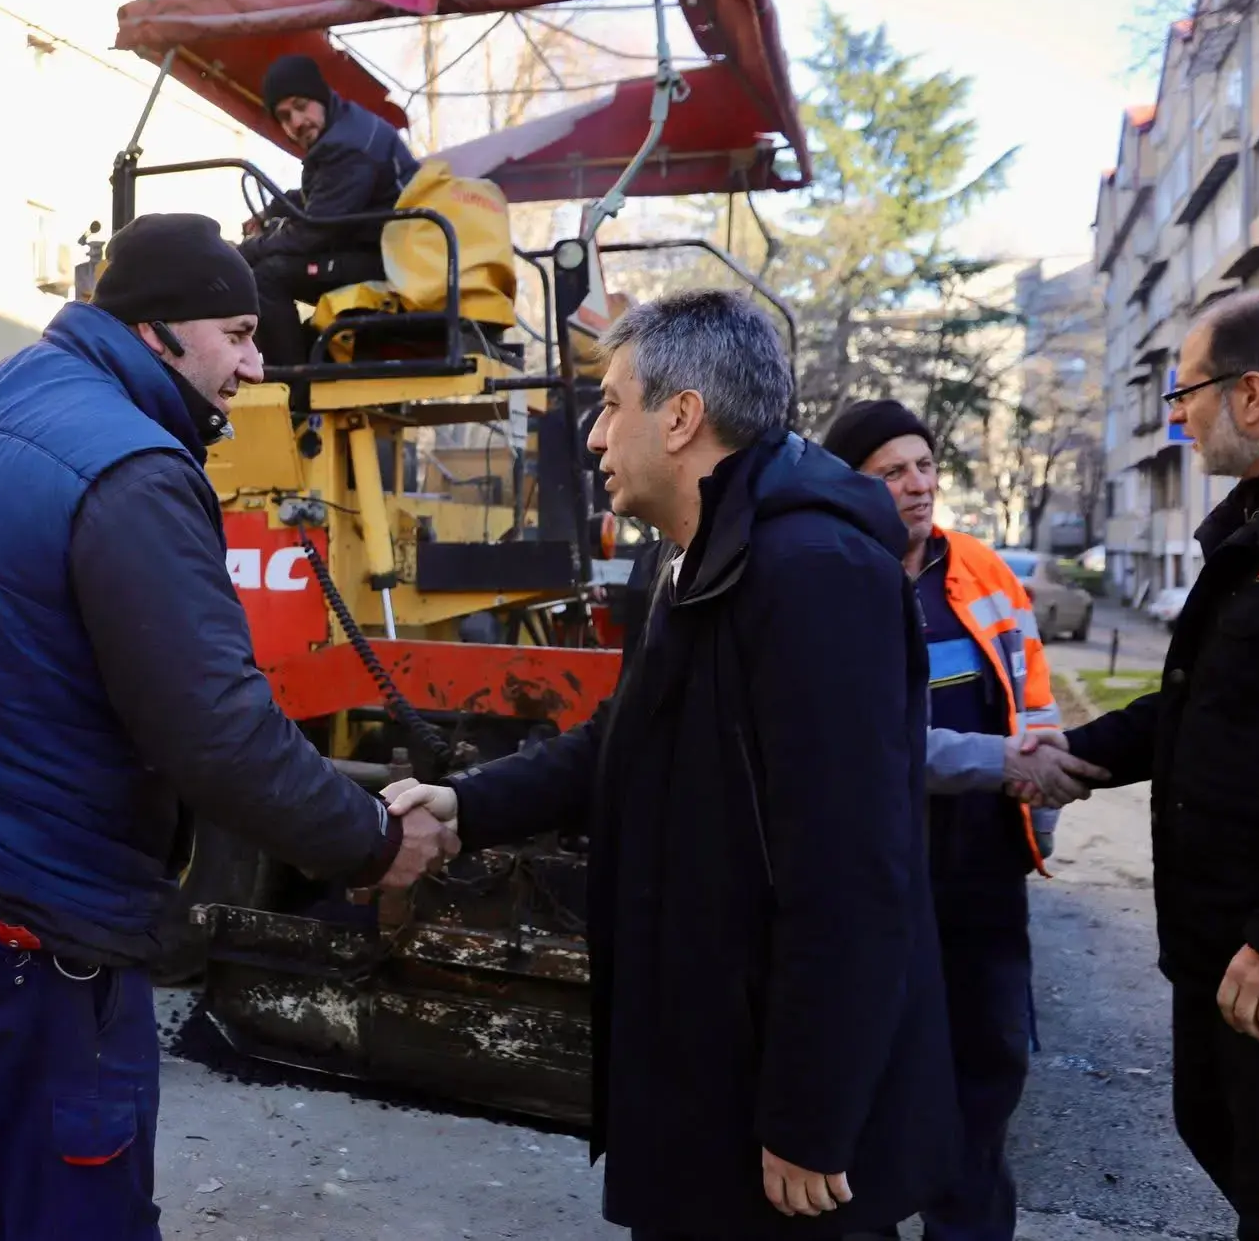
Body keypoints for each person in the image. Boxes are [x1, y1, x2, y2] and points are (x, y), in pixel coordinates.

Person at [0, 211, 459, 1240]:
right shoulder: (132, 468)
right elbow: (216, 734)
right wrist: (376, 843)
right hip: (28, 932)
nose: (256, 364)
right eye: (237, 331)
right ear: (154, 330)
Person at [387, 290, 960, 1240]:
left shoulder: (815, 573)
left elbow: (854, 871)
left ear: (683, 416)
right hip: (700, 1062)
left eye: (613, 403)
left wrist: (812, 1116)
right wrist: (463, 805)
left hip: (780, 1113)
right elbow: (622, 738)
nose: (595, 433)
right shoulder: (690, 558)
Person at [1054, 287, 1259, 1239]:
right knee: (1232, 1145)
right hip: (1226, 954)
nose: (1177, 415)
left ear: (1251, 395)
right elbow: (1207, 708)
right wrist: (1065, 753)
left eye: (1188, 392)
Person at [822, 399, 1105, 1241]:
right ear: (853, 486)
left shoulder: (981, 570)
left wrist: (1039, 811)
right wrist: (997, 763)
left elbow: (1030, 694)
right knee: (873, 1076)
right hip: (877, 873)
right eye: (892, 471)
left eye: (924, 465)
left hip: (981, 871)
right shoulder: (832, 579)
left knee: (988, 1068)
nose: (916, 485)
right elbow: (868, 742)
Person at [238, 53, 420, 364]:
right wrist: (271, 212)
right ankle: (304, 357)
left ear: (318, 97)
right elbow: (320, 198)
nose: (296, 122)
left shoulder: (347, 146)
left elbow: (314, 232)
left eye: (300, 106)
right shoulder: (345, 128)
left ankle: (290, 387)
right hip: (384, 252)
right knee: (269, 271)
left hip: (389, 262)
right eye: (284, 116)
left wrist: (247, 251)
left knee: (266, 276)